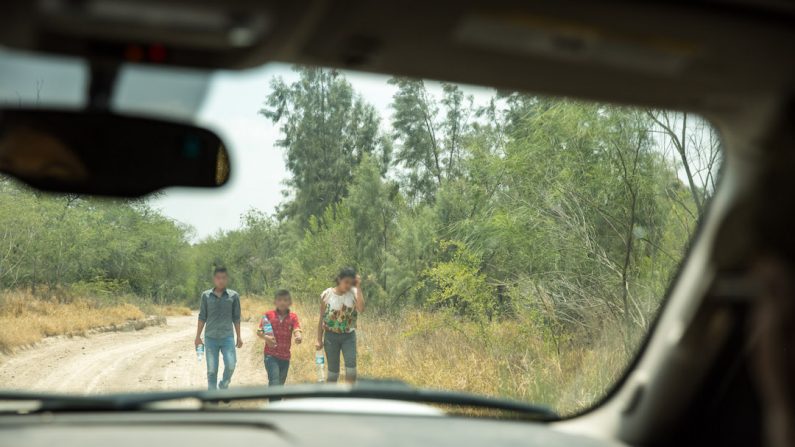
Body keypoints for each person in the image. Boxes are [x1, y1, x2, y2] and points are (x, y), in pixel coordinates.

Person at [194, 266, 242, 391]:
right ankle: (212, 397)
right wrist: (197, 337)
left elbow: (236, 318)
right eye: (218, 278)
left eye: (224, 278)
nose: (221, 280)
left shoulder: (234, 296)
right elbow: (202, 316)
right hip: (210, 338)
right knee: (211, 371)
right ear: (214, 279)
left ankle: (223, 384)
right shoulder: (206, 295)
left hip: (227, 338)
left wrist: (239, 336)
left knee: (231, 365)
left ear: (227, 279)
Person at [315, 267, 366, 383]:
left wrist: (358, 287)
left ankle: (349, 396)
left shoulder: (353, 293)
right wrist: (319, 339)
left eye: (351, 283)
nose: (348, 285)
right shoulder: (327, 295)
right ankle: (331, 397)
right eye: (346, 282)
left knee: (351, 367)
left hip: (349, 337)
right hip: (331, 337)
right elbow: (321, 318)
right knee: (333, 371)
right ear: (339, 279)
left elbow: (361, 309)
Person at [257, 289, 302, 397]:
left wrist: (298, 336)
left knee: (280, 385)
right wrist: (266, 338)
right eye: (279, 300)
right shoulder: (268, 315)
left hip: (285, 357)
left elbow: (297, 329)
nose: (282, 302)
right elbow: (259, 332)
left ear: (289, 302)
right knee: (274, 381)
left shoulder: (293, 317)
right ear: (275, 302)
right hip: (270, 355)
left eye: (285, 300)